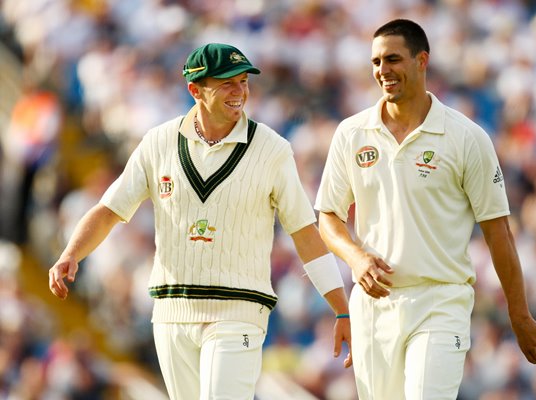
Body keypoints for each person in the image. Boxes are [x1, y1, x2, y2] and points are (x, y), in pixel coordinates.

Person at [48, 43, 352, 399]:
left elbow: (303, 232)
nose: (239, 92)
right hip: (171, 313)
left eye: (243, 82)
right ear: (195, 90)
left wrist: (341, 309)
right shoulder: (158, 142)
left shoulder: (273, 150)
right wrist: (71, 252)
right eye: (227, 83)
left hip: (238, 309)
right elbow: (108, 211)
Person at [315, 19, 536, 400]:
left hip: (441, 301)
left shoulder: (466, 137)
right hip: (374, 307)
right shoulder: (351, 133)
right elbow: (328, 217)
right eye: (375, 62)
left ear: (422, 61)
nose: (382, 71)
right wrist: (355, 258)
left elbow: (498, 231)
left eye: (393, 59)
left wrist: (519, 314)